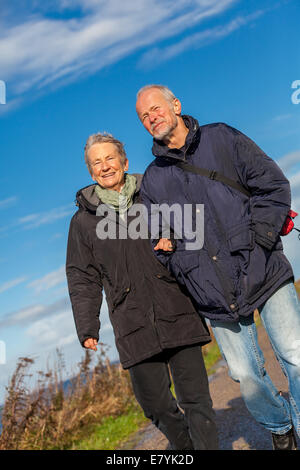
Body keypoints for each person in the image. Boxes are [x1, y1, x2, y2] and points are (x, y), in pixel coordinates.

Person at [136, 84, 300, 450]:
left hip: (264, 264)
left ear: (175, 105)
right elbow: (160, 240)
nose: (152, 118)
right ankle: (279, 427)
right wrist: (175, 256)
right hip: (211, 288)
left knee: (296, 354)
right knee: (244, 374)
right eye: (144, 116)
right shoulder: (153, 181)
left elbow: (272, 185)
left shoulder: (222, 138)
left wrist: (260, 240)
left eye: (156, 108)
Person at [66, 132, 218, 450]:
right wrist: (87, 325)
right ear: (90, 171)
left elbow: (190, 229)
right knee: (156, 405)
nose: (105, 166)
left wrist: (173, 239)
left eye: (110, 158)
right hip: (131, 321)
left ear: (125, 161)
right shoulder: (83, 222)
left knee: (197, 402)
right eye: (97, 162)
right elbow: (82, 276)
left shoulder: (152, 193)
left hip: (175, 306)